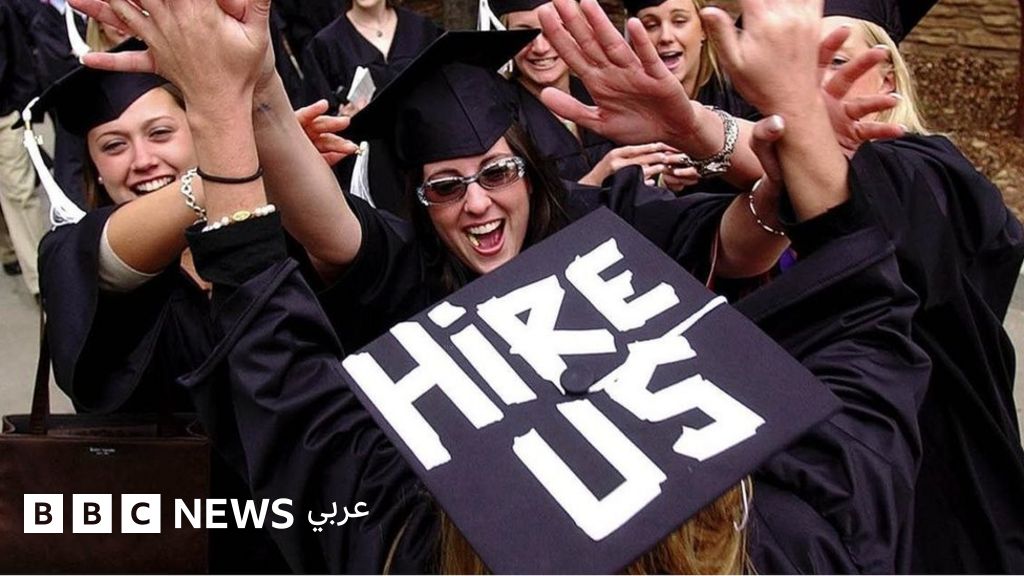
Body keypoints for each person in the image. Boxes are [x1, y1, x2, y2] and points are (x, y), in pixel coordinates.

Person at [77, 0, 929, 572]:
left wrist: (227, 104)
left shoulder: (426, 543)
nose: (477, 202)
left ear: (531, 168)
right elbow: (864, 321)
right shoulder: (801, 536)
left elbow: (295, 415)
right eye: (445, 186)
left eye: (497, 171)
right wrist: (794, 144)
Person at [818, 0, 1024, 572]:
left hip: (931, 465)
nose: (818, 79)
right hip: (834, 465)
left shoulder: (928, 170)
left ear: (887, 76)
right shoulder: (767, 187)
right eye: (800, 64)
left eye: (837, 59)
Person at [301, 0, 441, 214]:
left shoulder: (421, 29)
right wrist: (341, 118)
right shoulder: (326, 45)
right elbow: (316, 126)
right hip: (371, 175)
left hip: (425, 157)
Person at [0, 0, 46, 300]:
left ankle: (41, 279)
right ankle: (7, 249)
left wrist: (23, 111)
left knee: (20, 193)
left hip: (4, 116)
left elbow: (18, 58)